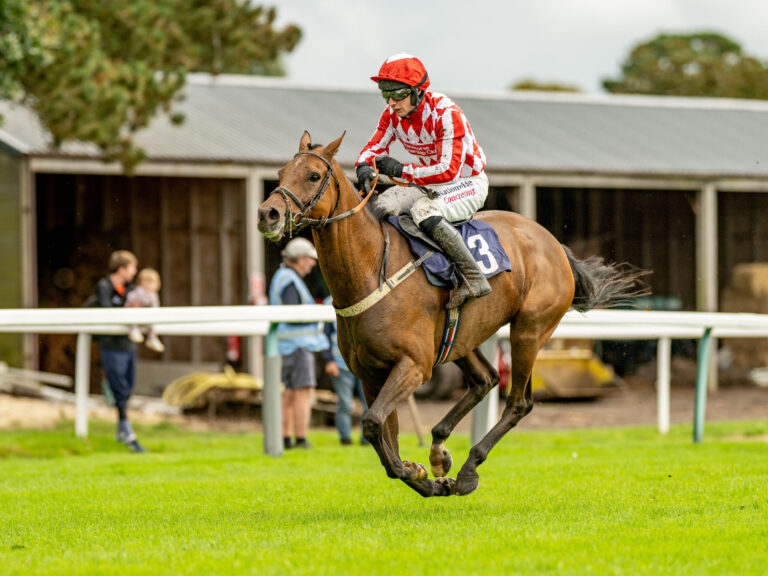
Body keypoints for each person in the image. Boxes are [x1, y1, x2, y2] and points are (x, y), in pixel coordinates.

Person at [356, 53, 492, 309]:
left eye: (397, 94)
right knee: (379, 206)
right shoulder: (392, 114)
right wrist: (363, 167)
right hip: (429, 182)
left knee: (422, 210)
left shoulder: (447, 114)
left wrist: (399, 169)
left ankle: (473, 278)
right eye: (385, 95)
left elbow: (448, 171)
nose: (392, 102)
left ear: (418, 92)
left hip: (467, 181)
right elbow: (371, 148)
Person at [268, 237, 329, 450]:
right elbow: (293, 314)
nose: (313, 264)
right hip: (297, 346)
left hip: (287, 345)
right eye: (311, 259)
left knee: (289, 393)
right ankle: (300, 439)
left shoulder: (283, 276)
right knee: (303, 391)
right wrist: (319, 314)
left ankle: (285, 438)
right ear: (300, 258)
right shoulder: (289, 279)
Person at [93, 250, 145, 453]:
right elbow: (108, 312)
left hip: (128, 344)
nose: (135, 272)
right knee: (120, 388)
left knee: (128, 385)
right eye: (132, 267)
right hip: (111, 345)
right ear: (122, 269)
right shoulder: (104, 287)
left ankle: (122, 429)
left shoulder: (132, 288)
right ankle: (125, 429)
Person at [322, 296, 369, 445]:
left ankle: (367, 438)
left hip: (363, 364)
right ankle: (345, 439)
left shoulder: (365, 296)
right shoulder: (328, 303)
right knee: (345, 404)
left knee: (369, 403)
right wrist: (329, 361)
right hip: (340, 364)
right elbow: (324, 335)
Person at [126, 267, 165, 353]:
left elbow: (155, 306)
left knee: (152, 321)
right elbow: (132, 301)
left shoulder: (153, 296)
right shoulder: (138, 292)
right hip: (134, 315)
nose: (148, 284)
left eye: (151, 282)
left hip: (147, 317)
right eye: (145, 281)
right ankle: (133, 329)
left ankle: (152, 337)